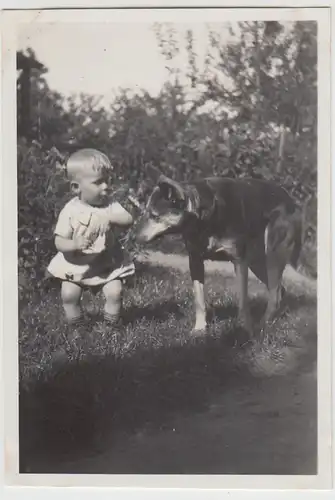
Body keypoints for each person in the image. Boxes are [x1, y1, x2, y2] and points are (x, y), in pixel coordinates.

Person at [47, 148, 135, 327]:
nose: (106, 187)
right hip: (76, 263)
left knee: (115, 292)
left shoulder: (110, 205)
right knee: (69, 294)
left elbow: (128, 220)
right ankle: (77, 328)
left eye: (107, 181)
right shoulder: (70, 210)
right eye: (98, 182)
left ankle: (111, 327)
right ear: (76, 187)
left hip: (106, 263)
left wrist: (111, 217)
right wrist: (74, 244)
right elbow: (59, 241)